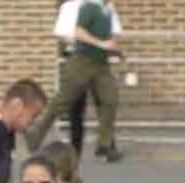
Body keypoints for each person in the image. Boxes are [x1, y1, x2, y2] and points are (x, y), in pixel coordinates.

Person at [33, 0, 122, 160]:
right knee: (65, 101)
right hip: (81, 59)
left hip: (100, 62)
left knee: (110, 99)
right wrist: (101, 43)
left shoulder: (107, 9)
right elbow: (76, 33)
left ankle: (104, 144)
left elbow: (115, 31)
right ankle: (37, 134)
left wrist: (113, 46)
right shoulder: (84, 7)